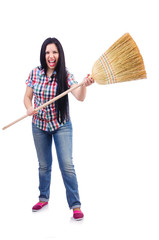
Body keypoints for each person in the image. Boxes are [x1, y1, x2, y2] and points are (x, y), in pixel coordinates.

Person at [24, 37, 94, 220]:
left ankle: (75, 205)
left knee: (67, 166)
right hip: (39, 126)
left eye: (54, 52)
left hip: (61, 125)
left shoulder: (66, 75)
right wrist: (28, 108)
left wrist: (84, 85)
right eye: (48, 52)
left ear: (59, 54)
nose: (51, 56)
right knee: (44, 166)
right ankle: (43, 197)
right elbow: (26, 97)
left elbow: (80, 96)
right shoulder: (35, 73)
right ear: (43, 55)